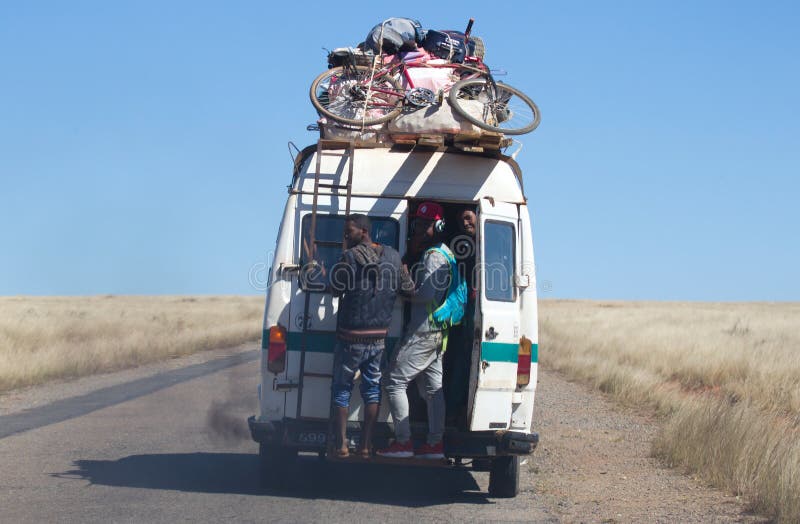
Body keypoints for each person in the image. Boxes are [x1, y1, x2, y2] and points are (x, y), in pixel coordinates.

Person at [329, 214, 414, 458]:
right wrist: (404, 272)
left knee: (342, 389)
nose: (346, 236)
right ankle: (366, 446)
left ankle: (342, 445)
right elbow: (409, 290)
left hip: (350, 336)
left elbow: (336, 288)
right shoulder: (394, 257)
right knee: (372, 390)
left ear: (363, 231)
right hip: (378, 338)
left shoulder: (349, 257)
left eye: (349, 231)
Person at [378, 202, 455, 459]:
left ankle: (403, 442)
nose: (420, 228)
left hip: (423, 331)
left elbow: (425, 294)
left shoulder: (434, 256)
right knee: (433, 390)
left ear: (439, 226)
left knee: (393, 381)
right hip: (437, 333)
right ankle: (435, 444)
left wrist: (403, 288)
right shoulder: (446, 253)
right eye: (418, 224)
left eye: (426, 224)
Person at [444, 207, 478, 427]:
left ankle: (458, 410)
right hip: (461, 311)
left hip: (475, 312)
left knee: (466, 362)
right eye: (461, 220)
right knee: (458, 361)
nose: (465, 223)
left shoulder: (488, 244)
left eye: (468, 217)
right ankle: (452, 410)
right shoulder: (460, 246)